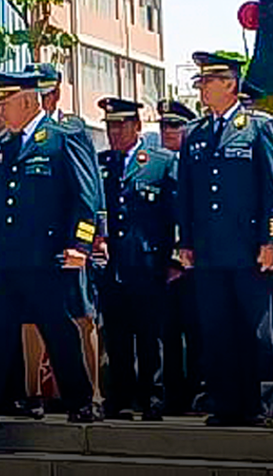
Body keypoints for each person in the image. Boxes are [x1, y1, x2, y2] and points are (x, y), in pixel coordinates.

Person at [0, 68, 101, 445]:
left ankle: (81, 400)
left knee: (58, 330)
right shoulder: (0, 146)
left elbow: (85, 196)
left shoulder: (62, 140)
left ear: (28, 101)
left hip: (45, 258)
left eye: (4, 102)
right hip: (4, 260)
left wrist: (81, 244)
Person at [171, 52, 273, 429]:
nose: (202, 89)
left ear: (230, 84)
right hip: (209, 250)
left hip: (249, 247)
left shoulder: (258, 126)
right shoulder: (196, 134)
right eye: (200, 82)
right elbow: (186, 194)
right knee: (217, 328)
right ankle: (226, 402)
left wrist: (272, 239)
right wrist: (185, 241)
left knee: (255, 329)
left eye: (208, 82)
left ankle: (258, 403)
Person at [94, 98, 170, 421]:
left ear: (137, 126)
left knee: (150, 334)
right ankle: (120, 395)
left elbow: (174, 213)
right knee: (117, 334)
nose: (114, 132)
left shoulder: (160, 161)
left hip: (147, 261)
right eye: (110, 125)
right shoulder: (101, 163)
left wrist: (175, 258)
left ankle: (152, 395)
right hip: (111, 265)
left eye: (121, 125)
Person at [32, 64, 101, 411]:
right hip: (36, 247)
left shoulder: (71, 129)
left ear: (55, 93)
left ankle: (93, 393)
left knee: (80, 315)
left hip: (68, 244)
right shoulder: (22, 134)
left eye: (42, 93)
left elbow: (89, 194)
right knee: (36, 318)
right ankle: (38, 392)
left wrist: (84, 243)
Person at [153, 97, 198, 415]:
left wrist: (177, 260)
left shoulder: (192, 165)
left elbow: (187, 218)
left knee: (198, 333)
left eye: (174, 125)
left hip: (192, 265)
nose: (167, 131)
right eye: (163, 125)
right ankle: (172, 392)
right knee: (166, 334)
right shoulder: (154, 164)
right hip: (162, 266)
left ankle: (197, 389)